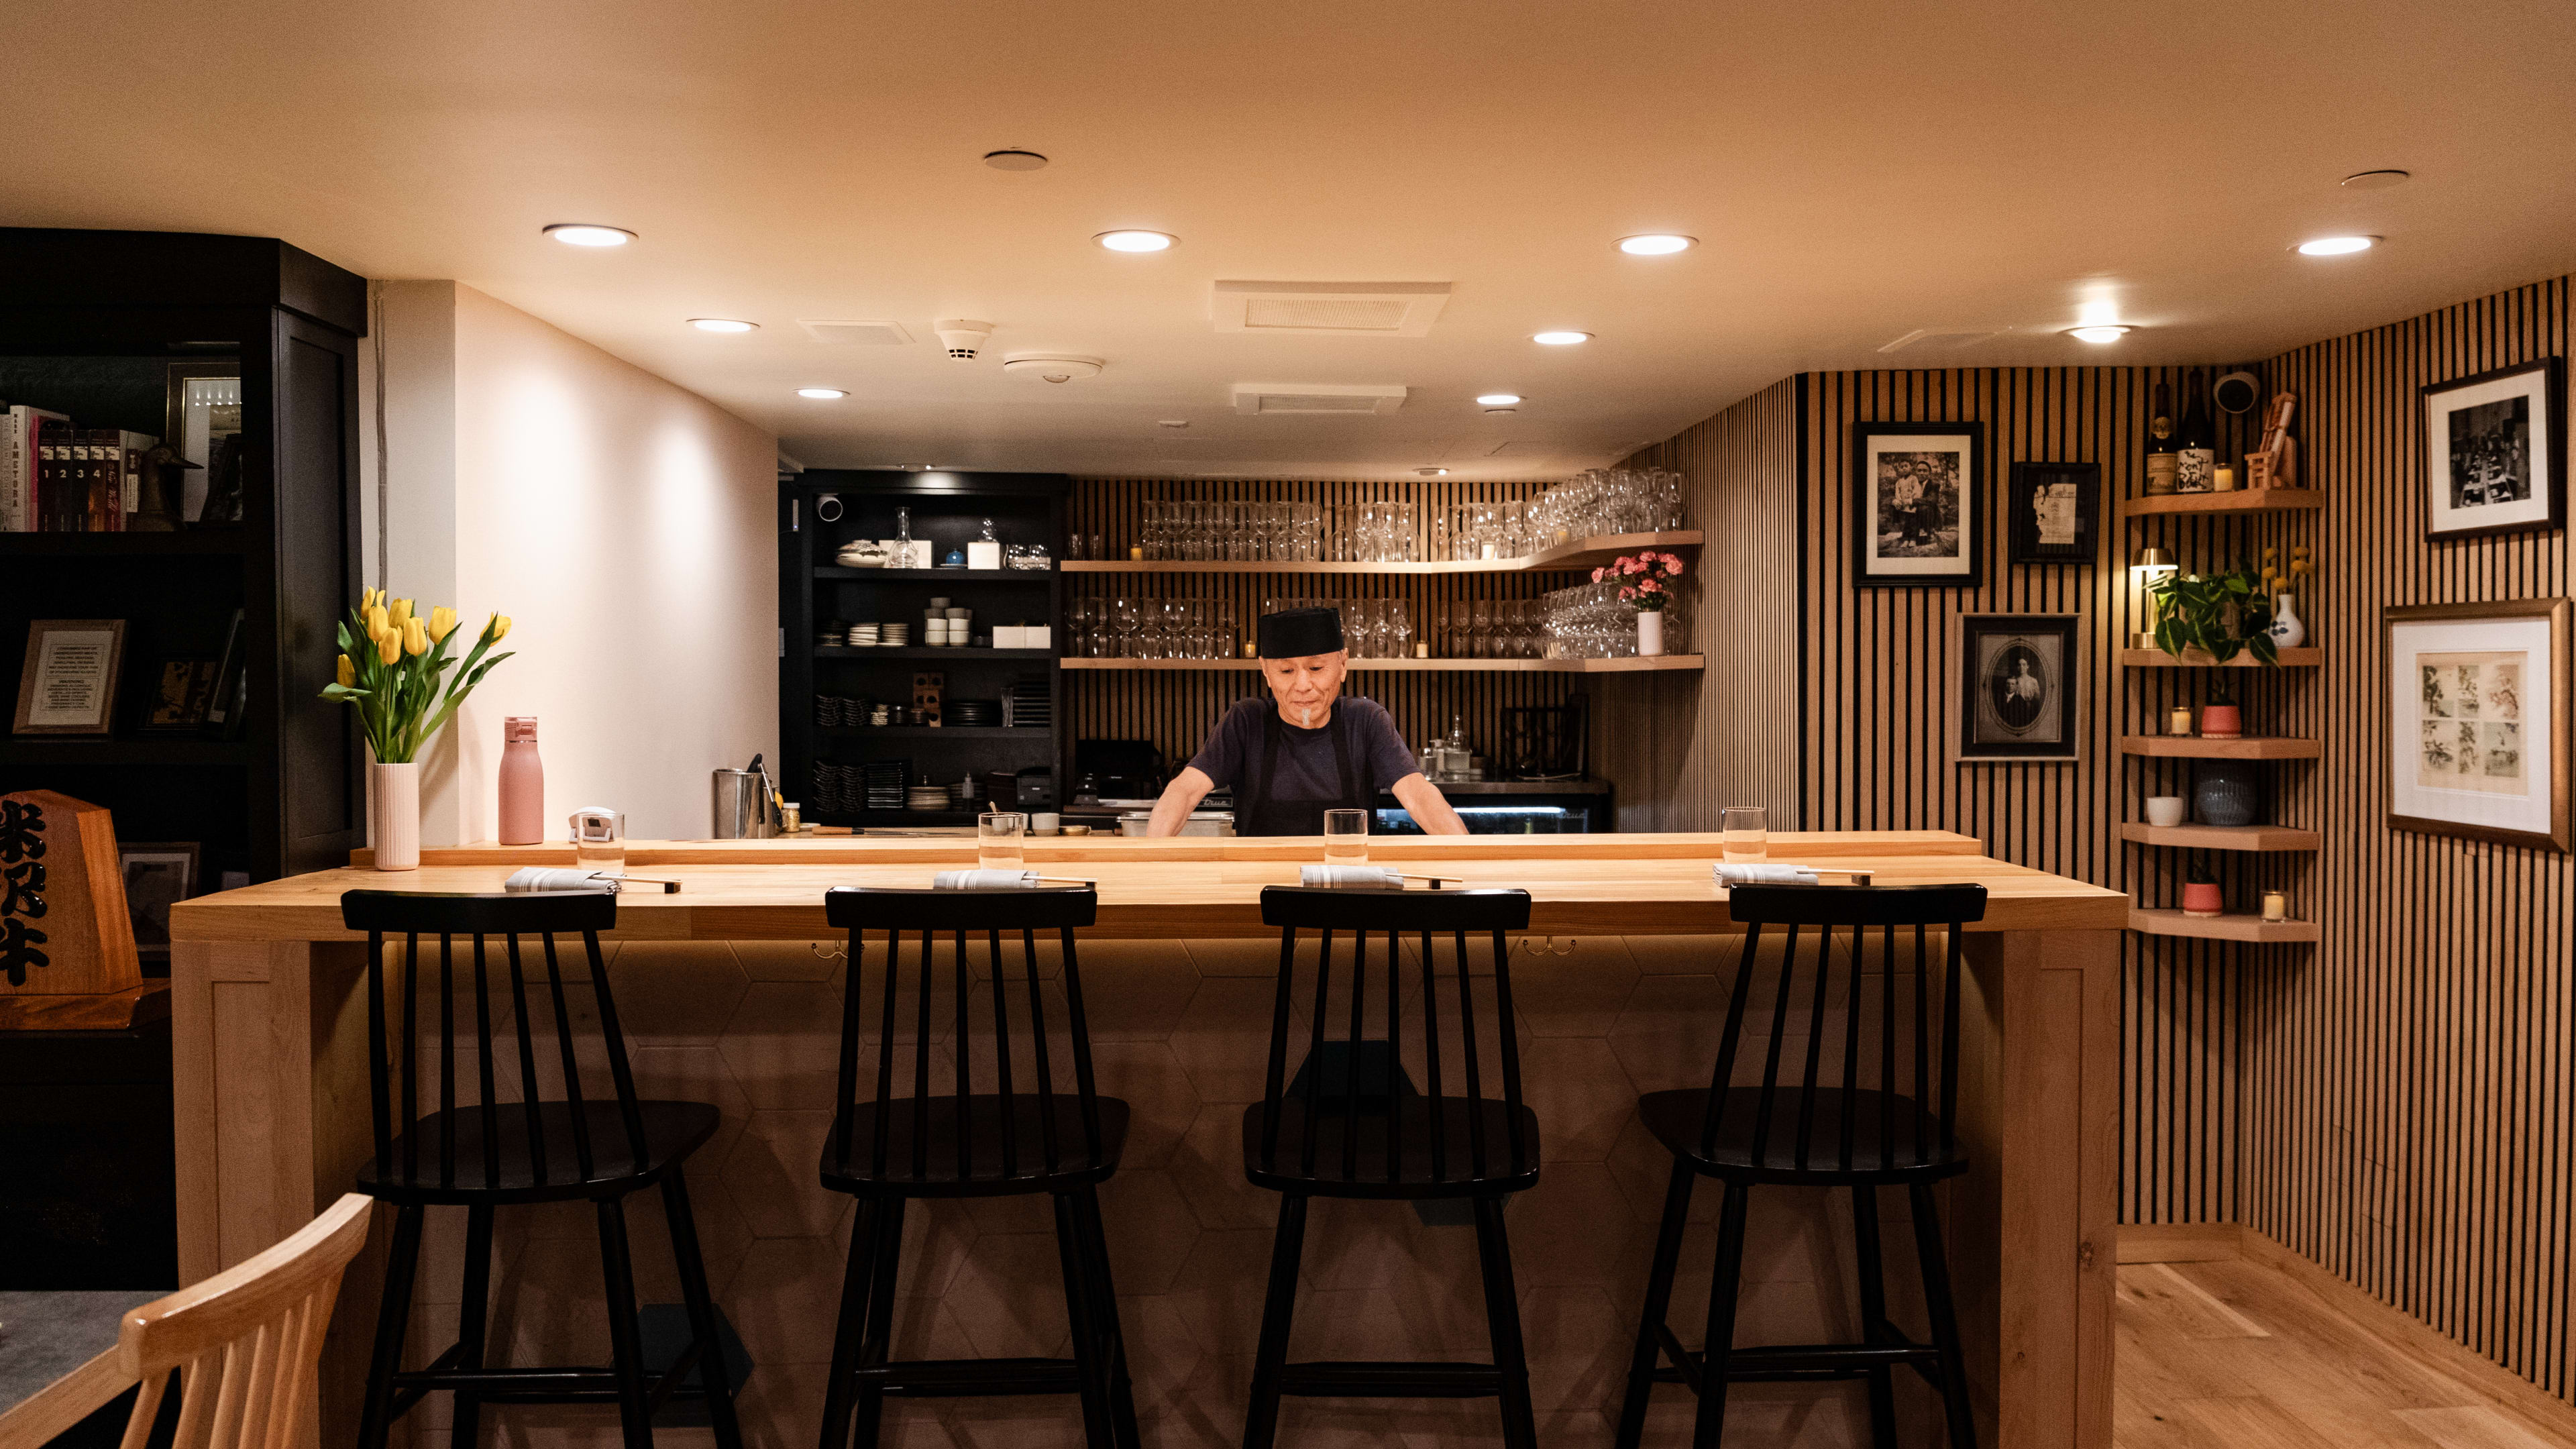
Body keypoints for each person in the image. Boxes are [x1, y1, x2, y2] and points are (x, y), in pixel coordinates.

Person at [1146, 606, 1468, 837]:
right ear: (1266, 671)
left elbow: (1417, 795)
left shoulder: (1366, 721)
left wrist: (1467, 857)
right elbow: (1184, 791)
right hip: (1263, 892)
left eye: (1316, 669)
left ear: (1342, 665)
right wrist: (1153, 857)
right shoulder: (1246, 721)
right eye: (1286, 671)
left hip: (1348, 890)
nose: (1302, 685)